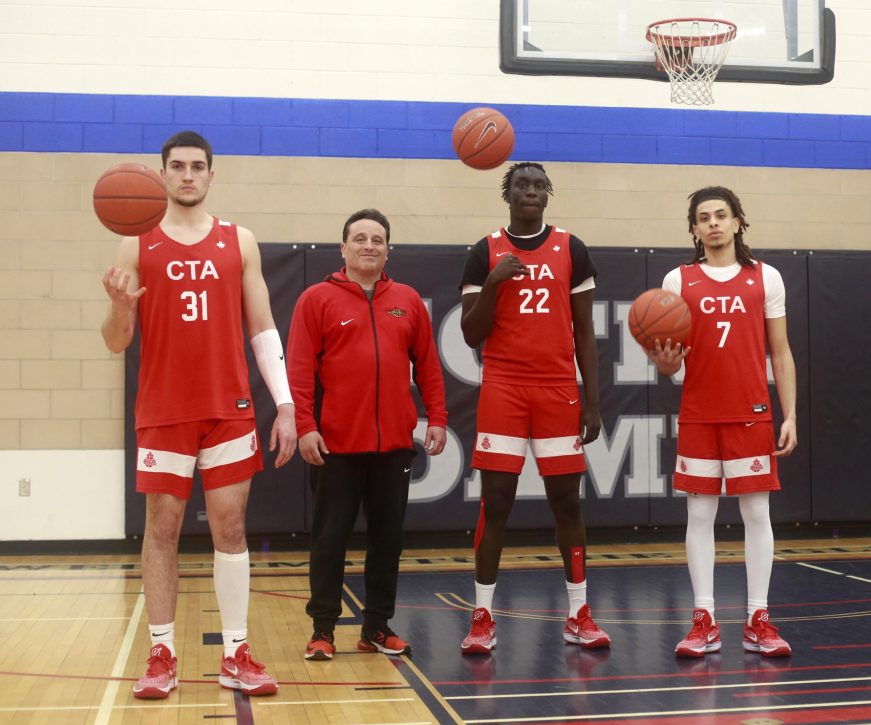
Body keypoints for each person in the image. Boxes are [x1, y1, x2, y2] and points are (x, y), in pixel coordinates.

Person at [101, 130, 297, 698]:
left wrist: (284, 404)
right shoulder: (136, 245)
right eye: (177, 166)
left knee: (230, 529)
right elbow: (117, 341)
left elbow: (262, 328)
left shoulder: (241, 241)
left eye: (197, 167)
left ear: (212, 175)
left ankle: (235, 652)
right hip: (164, 411)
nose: (187, 175)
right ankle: (162, 652)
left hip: (228, 408)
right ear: (162, 175)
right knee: (161, 531)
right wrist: (118, 309)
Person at [459, 161, 609, 654]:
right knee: (495, 502)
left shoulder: (572, 249)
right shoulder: (485, 252)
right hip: (503, 386)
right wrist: (496, 281)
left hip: (557, 388)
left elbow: (584, 333)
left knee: (567, 501)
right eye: (521, 184)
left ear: (548, 195)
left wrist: (593, 401)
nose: (530, 191)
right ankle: (482, 617)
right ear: (508, 194)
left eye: (537, 185)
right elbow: (470, 333)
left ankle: (579, 612)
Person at [287, 208, 447, 660]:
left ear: (388, 250)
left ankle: (376, 627)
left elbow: (429, 366)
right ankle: (322, 630)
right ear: (343, 248)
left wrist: (437, 417)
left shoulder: (408, 300)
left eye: (377, 239)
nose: (369, 246)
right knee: (329, 541)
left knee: (387, 542)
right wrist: (306, 427)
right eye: (359, 238)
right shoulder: (316, 300)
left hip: (393, 446)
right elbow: (298, 371)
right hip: (335, 446)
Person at [648, 186, 797, 658]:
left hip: (751, 414)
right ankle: (704, 619)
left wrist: (789, 413)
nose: (713, 223)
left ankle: (758, 618)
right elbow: (669, 365)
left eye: (721, 215)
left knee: (757, 514)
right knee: (699, 514)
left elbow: (781, 351)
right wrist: (666, 364)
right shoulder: (678, 280)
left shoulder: (765, 277)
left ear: (737, 222)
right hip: (699, 413)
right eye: (703, 217)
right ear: (693, 229)